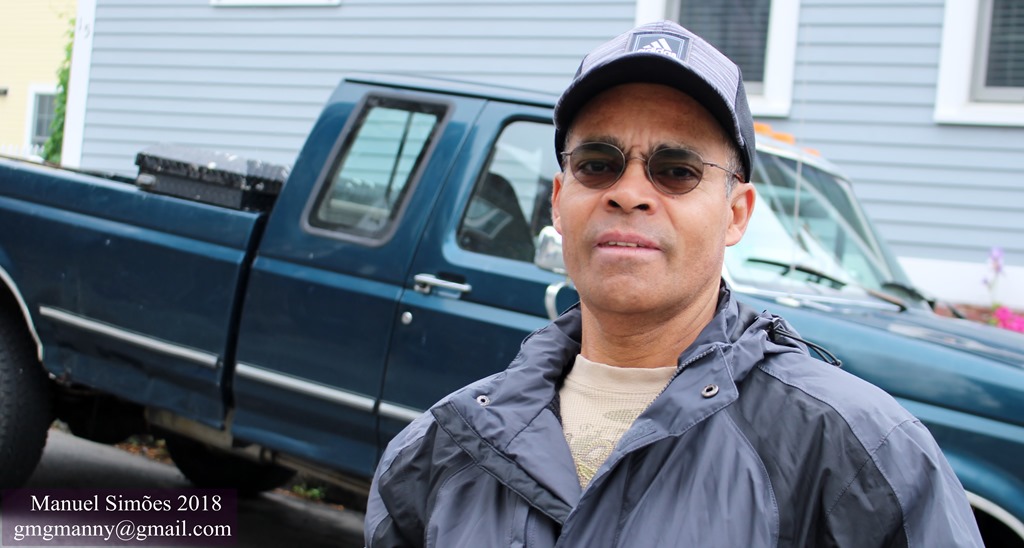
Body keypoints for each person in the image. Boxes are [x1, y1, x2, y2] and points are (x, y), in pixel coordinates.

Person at [365, 20, 984, 547]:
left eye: (677, 170)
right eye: (598, 164)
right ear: (559, 199)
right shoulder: (438, 452)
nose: (629, 193)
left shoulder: (860, 455)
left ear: (736, 213)